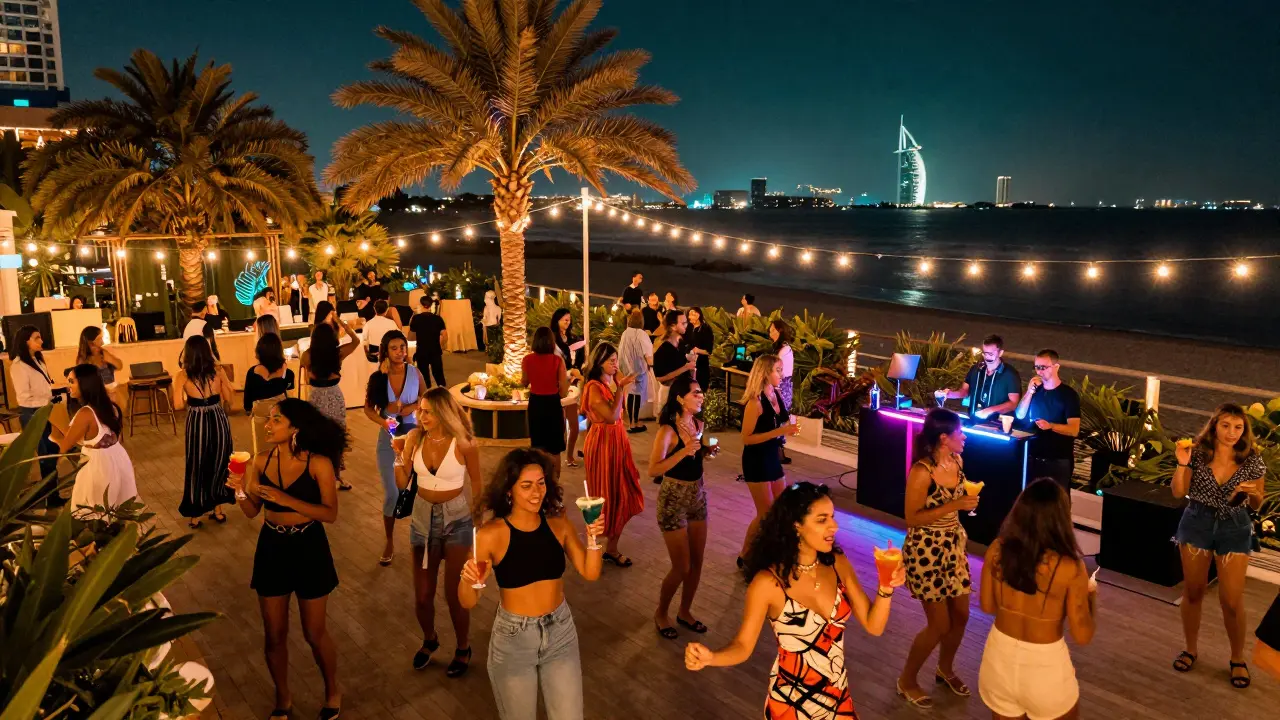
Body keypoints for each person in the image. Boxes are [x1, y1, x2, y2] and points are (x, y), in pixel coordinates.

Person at [685, 482, 905, 718]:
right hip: (791, 705)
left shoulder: (837, 563)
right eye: (822, 520)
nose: (834, 526)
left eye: (832, 517)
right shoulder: (768, 583)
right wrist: (711, 658)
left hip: (837, 697)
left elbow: (874, 625)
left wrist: (886, 587)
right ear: (796, 526)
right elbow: (743, 646)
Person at [459, 448, 605, 720]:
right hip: (514, 638)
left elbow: (590, 572)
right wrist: (468, 578)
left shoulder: (558, 524)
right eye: (526, 486)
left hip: (560, 631)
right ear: (509, 491)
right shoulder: (490, 535)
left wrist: (594, 538)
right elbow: (468, 601)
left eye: (541, 483)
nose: (536, 492)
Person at [226, 398, 347, 720]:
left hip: (309, 546)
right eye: (268, 420)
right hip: (272, 546)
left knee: (314, 632)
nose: (267, 425)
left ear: (295, 427)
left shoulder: (318, 464)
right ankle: (283, 699)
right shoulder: (260, 462)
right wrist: (239, 490)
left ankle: (332, 689)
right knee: (274, 633)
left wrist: (285, 499)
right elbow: (252, 511)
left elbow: (330, 513)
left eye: (275, 420)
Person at [979, 478, 1097, 719]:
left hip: (998, 659)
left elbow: (987, 605)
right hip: (1044, 667)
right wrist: (1091, 597)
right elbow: (1082, 636)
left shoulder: (996, 550)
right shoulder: (1070, 567)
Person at [1171, 403, 1266, 689]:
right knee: (1194, 590)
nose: (1232, 433)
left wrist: (1250, 494)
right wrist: (1181, 462)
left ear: (1244, 429)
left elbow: (1258, 503)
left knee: (1232, 600)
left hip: (1234, 527)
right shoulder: (1197, 453)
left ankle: (1238, 658)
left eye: (1238, 427)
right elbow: (1178, 492)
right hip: (1196, 522)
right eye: (1226, 426)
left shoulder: (1252, 460)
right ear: (1215, 426)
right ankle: (1190, 649)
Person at [393, 388, 483, 677]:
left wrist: (478, 528)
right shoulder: (414, 438)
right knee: (422, 595)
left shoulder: (464, 443)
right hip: (421, 521)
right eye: (421, 410)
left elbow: (478, 485)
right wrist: (398, 456)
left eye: (428, 411)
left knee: (454, 593)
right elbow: (401, 481)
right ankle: (430, 638)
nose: (422, 415)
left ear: (443, 411)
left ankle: (463, 646)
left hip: (456, 521)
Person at [897, 408, 977, 707]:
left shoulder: (957, 460)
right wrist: (955, 504)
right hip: (926, 550)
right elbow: (911, 518)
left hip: (953, 546)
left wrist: (964, 504)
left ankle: (945, 668)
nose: (964, 437)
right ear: (944, 438)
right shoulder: (921, 472)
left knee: (962, 615)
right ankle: (907, 679)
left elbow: (955, 504)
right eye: (960, 433)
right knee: (938, 624)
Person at [647, 375, 719, 640]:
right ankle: (661, 612)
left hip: (697, 494)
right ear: (680, 398)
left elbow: (697, 454)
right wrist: (684, 450)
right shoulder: (667, 431)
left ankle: (685, 611)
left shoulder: (698, 423)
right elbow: (653, 469)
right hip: (673, 498)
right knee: (681, 566)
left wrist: (706, 452)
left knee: (697, 562)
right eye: (696, 393)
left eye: (701, 392)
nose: (701, 396)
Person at [364, 330, 425, 566]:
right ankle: (389, 540)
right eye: (395, 348)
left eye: (402, 347)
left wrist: (414, 406)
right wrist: (383, 421)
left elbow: (426, 397)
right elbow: (369, 409)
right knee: (392, 493)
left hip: (414, 438)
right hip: (388, 438)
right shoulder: (378, 377)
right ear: (385, 351)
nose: (400, 352)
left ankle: (420, 540)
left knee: (420, 492)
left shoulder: (415, 372)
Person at [581, 342, 643, 568]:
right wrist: (621, 388)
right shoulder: (594, 387)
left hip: (617, 441)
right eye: (611, 361)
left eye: (617, 360)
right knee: (602, 495)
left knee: (623, 490)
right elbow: (611, 416)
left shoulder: (610, 381)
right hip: (603, 443)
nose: (616, 364)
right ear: (599, 363)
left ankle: (612, 548)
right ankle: (596, 546)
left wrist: (619, 384)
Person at [736, 354, 800, 565]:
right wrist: (780, 431)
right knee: (764, 514)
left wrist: (788, 429)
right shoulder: (755, 403)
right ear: (765, 374)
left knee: (780, 508)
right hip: (756, 460)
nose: (782, 375)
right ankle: (745, 555)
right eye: (778, 371)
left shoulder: (775, 395)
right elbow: (746, 438)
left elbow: (781, 422)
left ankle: (773, 551)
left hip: (772, 457)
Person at [50, 364, 138, 512]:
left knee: (94, 510)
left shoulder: (86, 413)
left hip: (97, 466)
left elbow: (64, 446)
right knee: (117, 508)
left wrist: (52, 424)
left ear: (85, 384)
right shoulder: (112, 406)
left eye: (72, 381)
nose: (68, 385)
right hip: (118, 458)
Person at [176, 336, 235, 528]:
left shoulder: (183, 375)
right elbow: (229, 398)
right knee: (220, 460)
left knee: (197, 462)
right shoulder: (218, 371)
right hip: (218, 417)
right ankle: (218, 510)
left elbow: (177, 404)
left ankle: (195, 515)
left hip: (197, 420)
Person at [301, 306, 359, 491]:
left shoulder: (307, 355)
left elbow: (305, 381)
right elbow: (356, 340)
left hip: (316, 395)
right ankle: (336, 475)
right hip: (334, 394)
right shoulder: (338, 353)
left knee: (316, 435)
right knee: (336, 435)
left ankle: (316, 475)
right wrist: (341, 323)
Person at [1014, 349, 1081, 495]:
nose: (1039, 371)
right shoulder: (1035, 391)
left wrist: (1051, 426)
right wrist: (1029, 392)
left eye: (1043, 367)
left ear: (1056, 367)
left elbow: (1074, 429)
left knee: (1057, 503)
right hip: (1033, 457)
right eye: (1037, 367)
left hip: (1058, 460)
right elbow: (1019, 414)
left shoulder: (1068, 395)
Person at [11, 326, 61, 502]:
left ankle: (53, 494)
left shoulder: (38, 360)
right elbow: (24, 397)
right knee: (44, 455)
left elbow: (44, 386)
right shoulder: (19, 365)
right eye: (36, 338)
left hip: (46, 410)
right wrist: (45, 402)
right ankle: (48, 496)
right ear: (26, 341)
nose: (41, 341)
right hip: (33, 413)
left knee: (53, 452)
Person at [936, 334, 1022, 421]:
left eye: (991, 354)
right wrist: (950, 394)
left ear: (1000, 353)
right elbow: (964, 391)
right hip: (973, 419)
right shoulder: (976, 369)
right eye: (985, 353)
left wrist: (990, 410)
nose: (987, 357)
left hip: (997, 425)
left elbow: (1013, 403)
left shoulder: (1010, 374)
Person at [521, 327, 569, 464]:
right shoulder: (557, 361)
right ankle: (554, 481)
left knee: (538, 446)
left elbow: (524, 382)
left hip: (536, 404)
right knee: (554, 449)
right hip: (552, 404)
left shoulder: (527, 360)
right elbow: (563, 392)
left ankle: (541, 478)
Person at [244, 333, 297, 453]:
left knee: (262, 448)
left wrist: (248, 409)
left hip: (260, 415)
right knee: (282, 447)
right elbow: (290, 396)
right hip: (280, 415)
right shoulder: (287, 373)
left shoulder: (252, 373)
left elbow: (248, 396)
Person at [550, 309, 585, 467]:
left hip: (572, 384)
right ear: (557, 320)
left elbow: (579, 359)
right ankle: (557, 453)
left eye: (569, 320)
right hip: (556, 385)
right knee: (560, 423)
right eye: (564, 320)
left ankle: (569, 455)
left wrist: (576, 371)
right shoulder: (551, 339)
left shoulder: (573, 339)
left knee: (574, 423)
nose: (567, 323)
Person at [617, 309, 653, 433]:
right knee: (637, 396)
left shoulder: (625, 333)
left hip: (628, 369)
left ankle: (632, 422)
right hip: (640, 370)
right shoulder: (642, 334)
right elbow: (647, 353)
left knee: (631, 395)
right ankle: (634, 423)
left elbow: (621, 352)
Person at [652, 309, 695, 411]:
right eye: (683, 323)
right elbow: (660, 377)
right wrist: (685, 367)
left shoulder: (680, 342)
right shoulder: (663, 348)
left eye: (686, 322)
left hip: (680, 394)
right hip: (667, 396)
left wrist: (687, 358)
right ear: (672, 326)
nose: (686, 325)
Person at [75, 325, 124, 408]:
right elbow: (85, 384)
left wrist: (111, 359)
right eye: (100, 339)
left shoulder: (103, 353)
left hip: (112, 394)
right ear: (91, 342)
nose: (103, 342)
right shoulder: (83, 360)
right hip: (96, 398)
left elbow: (120, 366)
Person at [769, 319, 796, 465]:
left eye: (772, 329)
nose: (770, 332)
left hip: (781, 387)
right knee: (775, 419)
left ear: (779, 331)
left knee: (778, 419)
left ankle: (778, 453)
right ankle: (777, 452)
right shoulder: (779, 349)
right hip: (778, 386)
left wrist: (776, 389)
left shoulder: (785, 350)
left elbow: (782, 372)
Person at [408, 294, 448, 389]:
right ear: (431, 305)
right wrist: (441, 346)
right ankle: (443, 394)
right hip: (435, 350)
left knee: (423, 375)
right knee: (439, 374)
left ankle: (426, 396)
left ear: (421, 305)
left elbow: (410, 337)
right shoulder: (438, 318)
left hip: (422, 350)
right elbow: (445, 335)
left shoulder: (416, 318)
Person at [685, 306, 714, 392]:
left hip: (701, 365)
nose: (690, 317)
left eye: (693, 314)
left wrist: (698, 350)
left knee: (699, 389)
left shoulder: (706, 329)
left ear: (698, 316)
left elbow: (709, 351)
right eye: (689, 314)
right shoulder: (689, 327)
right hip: (688, 363)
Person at [482, 289, 502, 358]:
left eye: (486, 297)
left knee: (495, 340)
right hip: (488, 326)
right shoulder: (486, 308)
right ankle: (490, 352)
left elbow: (498, 319)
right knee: (489, 341)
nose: (485, 299)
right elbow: (484, 317)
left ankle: (495, 353)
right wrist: (484, 321)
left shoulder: (498, 308)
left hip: (494, 326)